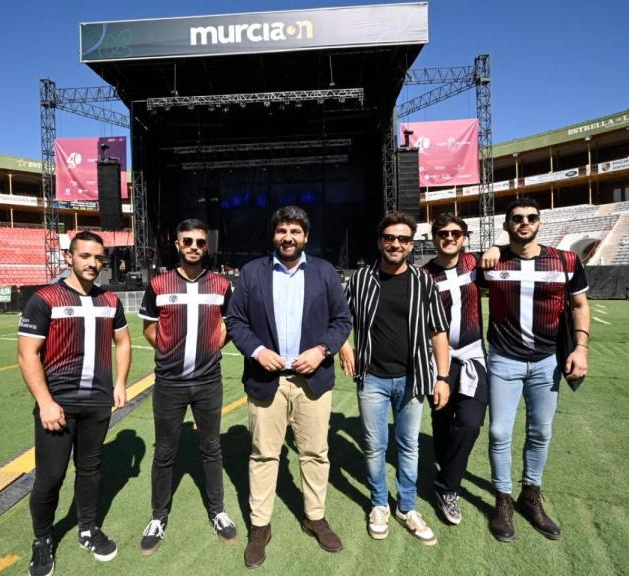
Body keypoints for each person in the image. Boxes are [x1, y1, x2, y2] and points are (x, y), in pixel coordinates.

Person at [225, 205, 352, 569]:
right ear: (274, 235)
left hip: (312, 380)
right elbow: (235, 321)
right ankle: (260, 526)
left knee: (315, 453)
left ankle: (314, 516)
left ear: (306, 237)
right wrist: (258, 350)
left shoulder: (325, 272)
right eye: (282, 230)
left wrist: (322, 349)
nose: (288, 237)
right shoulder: (252, 273)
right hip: (267, 382)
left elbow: (342, 320)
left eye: (295, 231)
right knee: (264, 455)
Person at [17, 230, 131, 576]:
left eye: (98, 258)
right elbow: (27, 354)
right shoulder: (45, 298)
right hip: (58, 405)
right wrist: (46, 402)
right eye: (85, 256)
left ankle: (87, 528)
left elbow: (123, 342)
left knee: (90, 470)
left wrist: (121, 382)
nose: (93, 263)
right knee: (50, 478)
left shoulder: (110, 300)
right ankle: (42, 540)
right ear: (69, 257)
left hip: (97, 404)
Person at [339, 211, 451, 545]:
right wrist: (344, 346)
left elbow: (438, 331)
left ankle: (407, 506)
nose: (396, 244)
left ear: (411, 244)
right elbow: (338, 317)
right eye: (390, 238)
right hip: (372, 377)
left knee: (409, 446)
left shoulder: (423, 281)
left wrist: (442, 376)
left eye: (403, 239)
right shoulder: (360, 279)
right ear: (380, 241)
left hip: (413, 378)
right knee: (375, 446)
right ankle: (378, 504)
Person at [483, 197, 590, 542]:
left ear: (540, 223)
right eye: (516, 218)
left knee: (540, 432)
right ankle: (502, 500)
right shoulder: (492, 262)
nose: (524, 223)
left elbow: (579, 305)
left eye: (531, 217)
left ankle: (530, 496)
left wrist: (582, 349)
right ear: (507, 224)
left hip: (548, 360)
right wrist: (493, 248)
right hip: (503, 358)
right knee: (500, 432)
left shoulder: (565, 260)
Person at [135, 218, 238, 555]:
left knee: (211, 448)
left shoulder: (221, 285)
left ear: (206, 246)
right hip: (169, 384)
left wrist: (211, 348)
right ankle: (158, 516)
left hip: (209, 383)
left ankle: (218, 511)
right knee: (165, 451)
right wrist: (169, 352)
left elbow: (230, 325)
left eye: (200, 242)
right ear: (177, 245)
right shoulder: (159, 283)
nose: (194, 247)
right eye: (188, 241)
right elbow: (150, 329)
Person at [420, 213, 488, 527]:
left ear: (464, 237)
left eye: (456, 233)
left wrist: (497, 250)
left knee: (471, 423)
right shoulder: (423, 275)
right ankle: (446, 468)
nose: (449, 238)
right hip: (440, 361)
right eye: (443, 233)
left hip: (474, 357)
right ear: (434, 238)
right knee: (443, 422)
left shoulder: (475, 265)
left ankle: (447, 487)